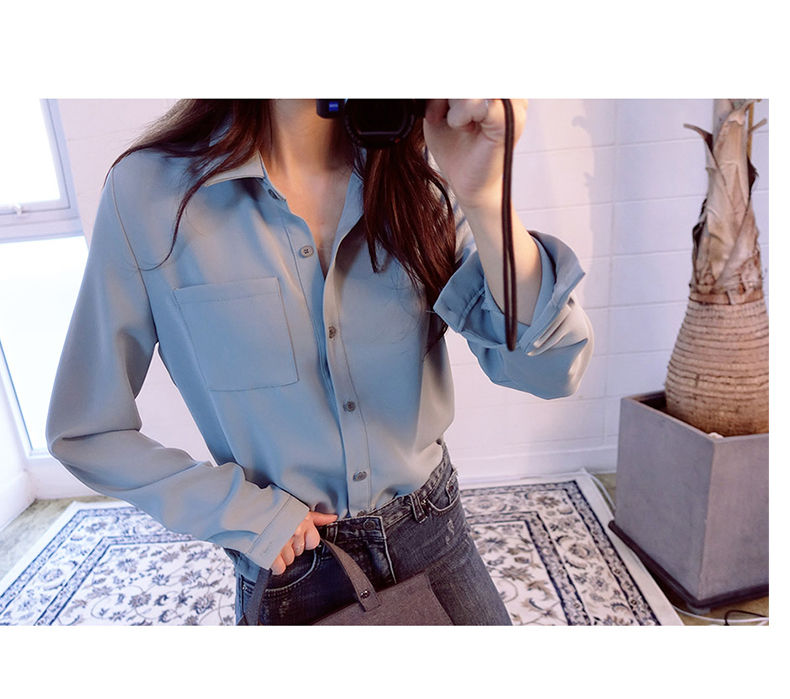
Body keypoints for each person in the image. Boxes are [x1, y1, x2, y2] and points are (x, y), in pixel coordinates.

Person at [45, 99, 594, 625]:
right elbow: (86, 430)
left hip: (434, 534)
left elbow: (551, 368)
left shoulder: (424, 169)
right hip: (296, 570)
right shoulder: (150, 194)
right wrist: (244, 514)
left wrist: (487, 196)